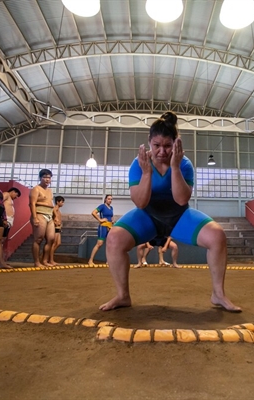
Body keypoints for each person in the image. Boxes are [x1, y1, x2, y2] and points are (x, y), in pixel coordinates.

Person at [99, 111, 241, 312]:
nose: (162, 151)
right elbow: (140, 202)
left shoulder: (184, 164)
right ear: (149, 142)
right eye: (157, 146)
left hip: (179, 217)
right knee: (114, 238)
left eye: (167, 146)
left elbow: (182, 199)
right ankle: (123, 296)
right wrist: (147, 172)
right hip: (147, 216)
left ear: (175, 143)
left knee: (217, 236)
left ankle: (218, 294)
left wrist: (174, 167)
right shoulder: (138, 164)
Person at [29, 169, 55, 268]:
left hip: (49, 214)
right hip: (39, 214)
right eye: (44, 177)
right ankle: (36, 262)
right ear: (40, 178)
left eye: (49, 177)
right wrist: (34, 217)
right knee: (38, 239)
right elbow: (32, 204)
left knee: (51, 239)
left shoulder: (50, 191)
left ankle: (44, 260)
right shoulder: (36, 189)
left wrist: (54, 216)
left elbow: (50, 203)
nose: (47, 180)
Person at [88, 194, 114, 266]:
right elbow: (93, 212)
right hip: (103, 226)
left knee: (110, 245)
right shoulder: (102, 206)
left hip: (110, 227)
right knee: (99, 244)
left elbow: (111, 217)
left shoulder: (111, 208)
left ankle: (108, 261)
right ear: (105, 199)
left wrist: (112, 222)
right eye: (109, 199)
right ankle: (90, 260)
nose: (110, 200)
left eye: (111, 199)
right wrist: (100, 219)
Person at [0, 187, 21, 256]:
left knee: (2, 240)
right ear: (13, 191)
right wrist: (3, 218)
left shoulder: (10, 199)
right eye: (16, 195)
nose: (16, 197)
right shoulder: (6, 194)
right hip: (4, 219)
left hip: (9, 220)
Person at [47, 196, 65, 265]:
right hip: (55, 228)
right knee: (54, 244)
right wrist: (56, 222)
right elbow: (53, 218)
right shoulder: (54, 209)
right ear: (57, 202)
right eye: (62, 202)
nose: (63, 203)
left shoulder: (58, 209)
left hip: (58, 228)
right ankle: (50, 259)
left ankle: (48, 256)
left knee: (58, 243)